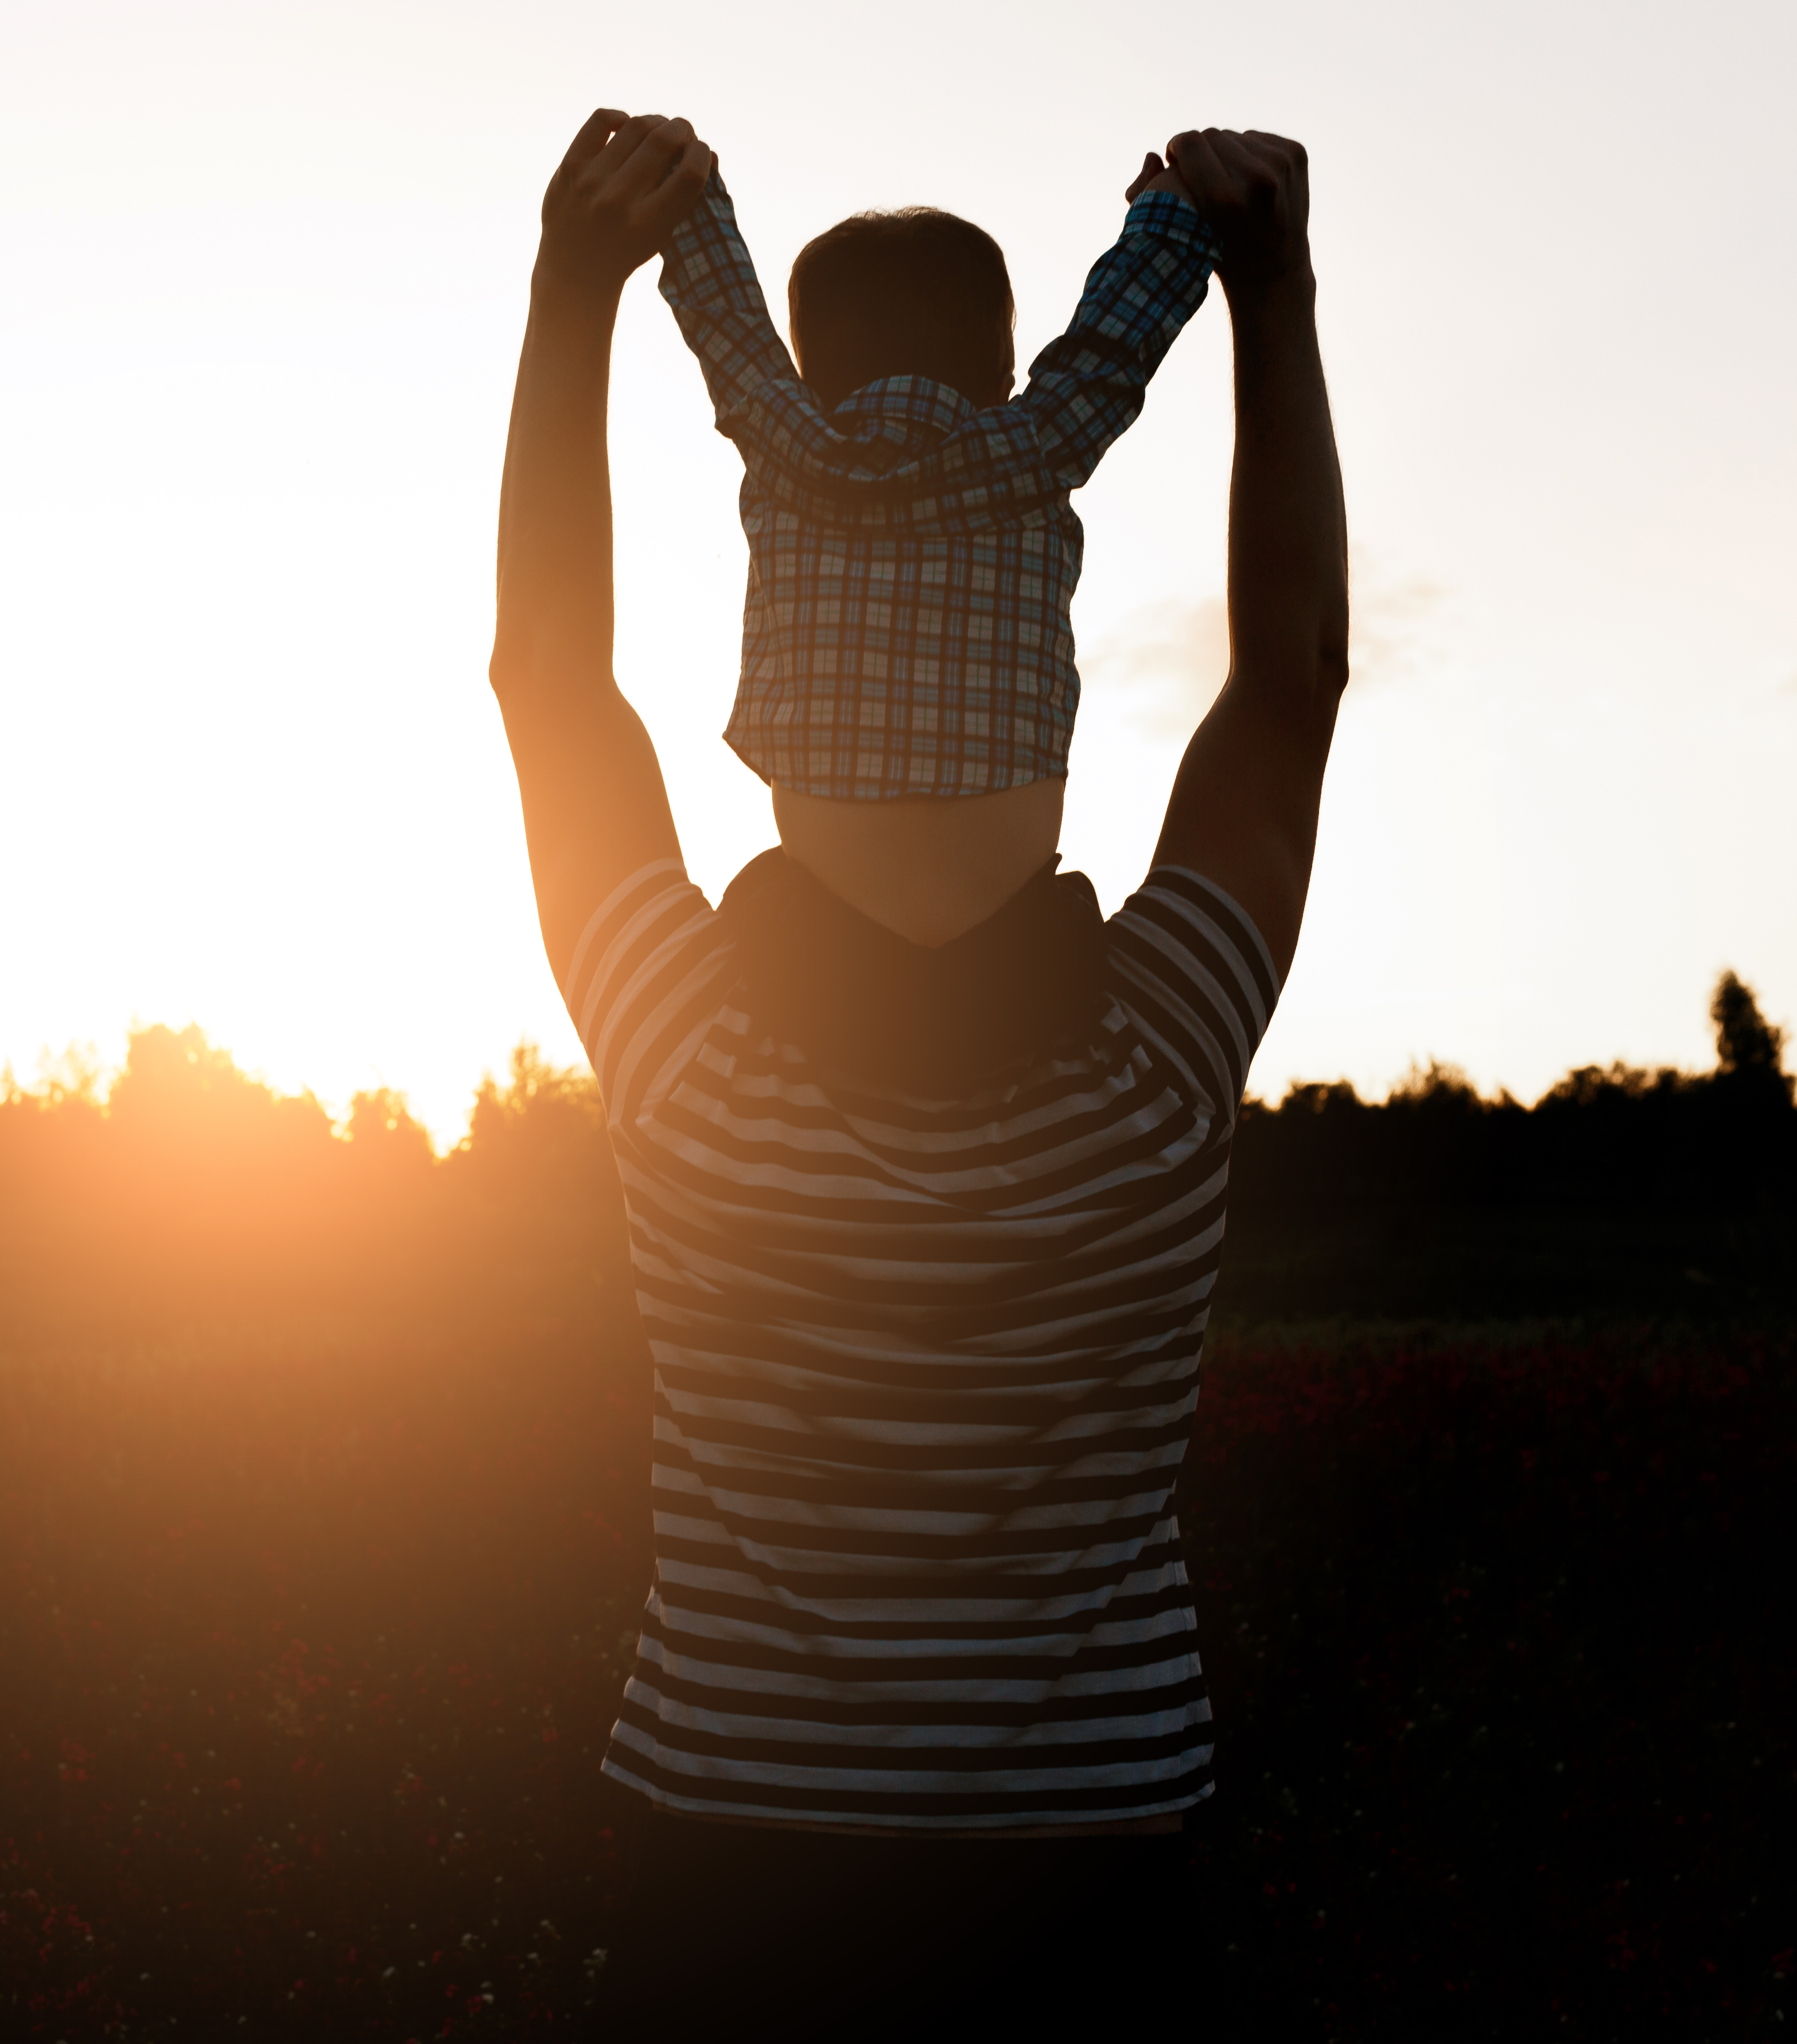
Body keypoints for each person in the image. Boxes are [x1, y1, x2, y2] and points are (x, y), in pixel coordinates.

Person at [489, 110, 1348, 2034]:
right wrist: (1272, 300)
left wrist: (572, 300)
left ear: (782, 672)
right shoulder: (1159, 1059)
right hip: (1090, 1893)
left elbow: (548, 677)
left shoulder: (686, 1051)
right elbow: (1290, 682)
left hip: (731, 1879)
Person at [653, 153, 1218, 947]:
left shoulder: (787, 444)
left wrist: (686, 188)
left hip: (820, 940)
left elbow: (726, 321)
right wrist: (1172, 216)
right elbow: (1110, 350)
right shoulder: (1037, 445)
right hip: (1013, 938)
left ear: (809, 379)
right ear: (1004, 371)